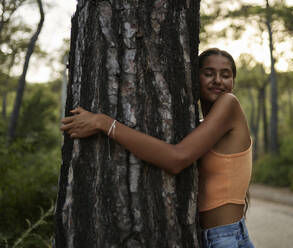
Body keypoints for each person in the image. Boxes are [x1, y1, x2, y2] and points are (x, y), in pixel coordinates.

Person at [60, 48, 255, 248]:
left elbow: (176, 159)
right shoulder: (203, 126)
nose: (217, 80)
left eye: (226, 75)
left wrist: (104, 123)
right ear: (195, 78)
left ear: (233, 81)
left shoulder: (229, 103)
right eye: (208, 73)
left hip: (223, 238)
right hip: (219, 236)